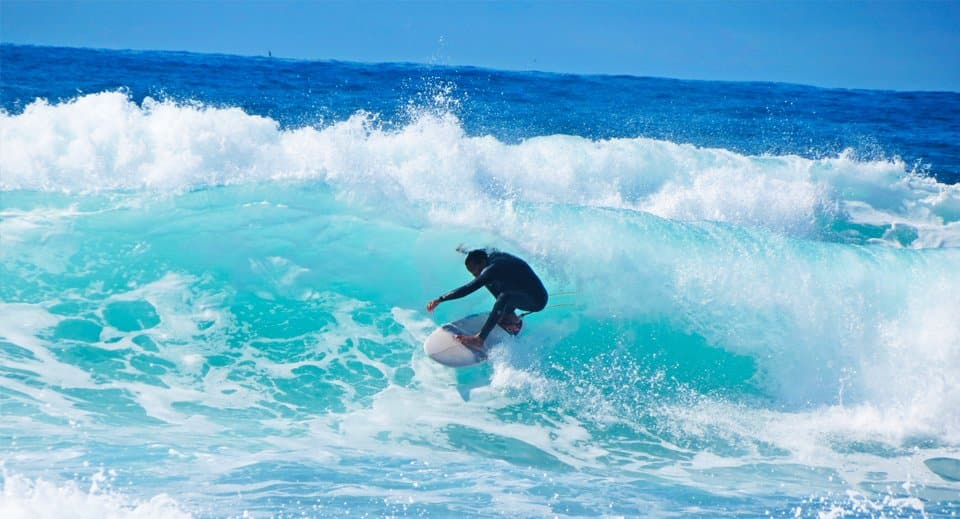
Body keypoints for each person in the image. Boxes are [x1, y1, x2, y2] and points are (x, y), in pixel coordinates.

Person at [426, 249, 548, 351]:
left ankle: (479, 339)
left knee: (500, 292)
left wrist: (441, 299)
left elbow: (468, 289)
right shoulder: (490, 256)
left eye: (475, 270)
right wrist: (464, 251)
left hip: (536, 300)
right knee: (487, 280)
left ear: (482, 261)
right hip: (520, 291)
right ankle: (510, 316)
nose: (475, 275)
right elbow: (481, 251)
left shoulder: (492, 269)